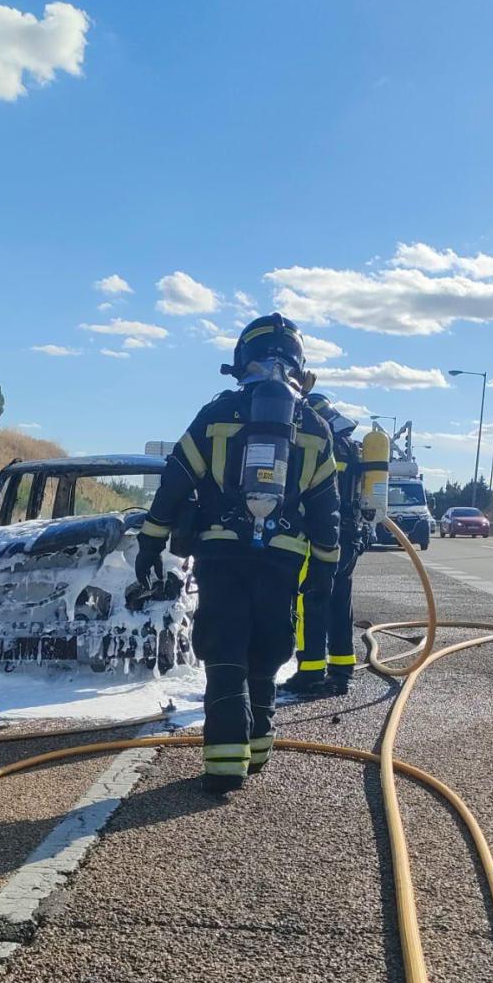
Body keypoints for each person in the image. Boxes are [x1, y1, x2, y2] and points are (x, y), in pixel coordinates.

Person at [135, 314, 339, 793]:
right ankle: (258, 747)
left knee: (225, 650)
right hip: (283, 559)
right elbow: (328, 511)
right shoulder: (314, 427)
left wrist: (150, 541)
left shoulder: (217, 415)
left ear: (241, 359)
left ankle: (225, 764)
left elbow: (174, 483)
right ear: (298, 362)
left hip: (222, 555)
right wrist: (324, 571)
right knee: (266, 650)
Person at [290, 396, 366, 697]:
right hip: (351, 536)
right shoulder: (352, 447)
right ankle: (342, 667)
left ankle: (310, 673)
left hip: (321, 534)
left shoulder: (321, 443)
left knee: (311, 600)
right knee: (340, 601)